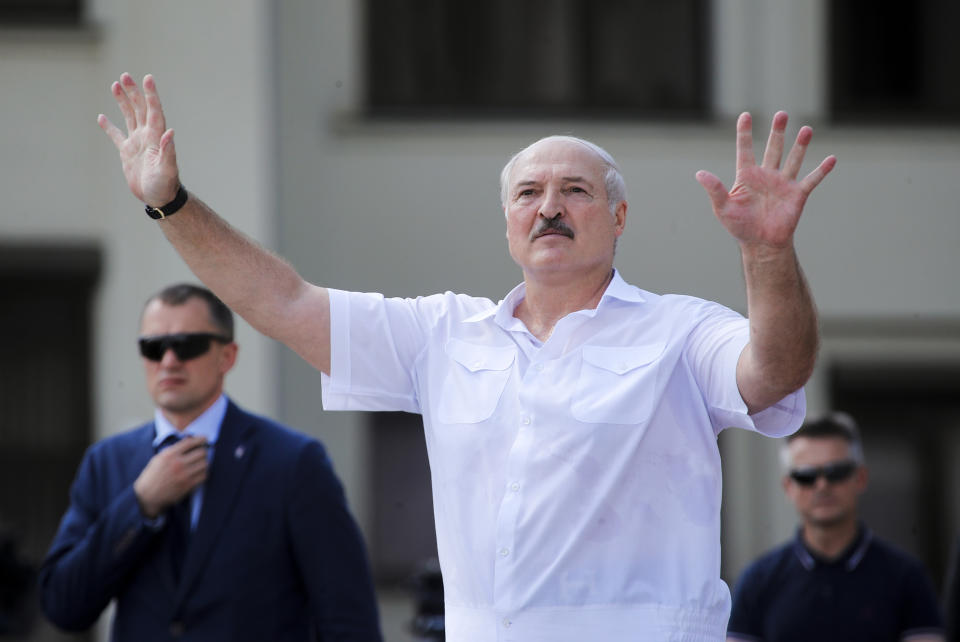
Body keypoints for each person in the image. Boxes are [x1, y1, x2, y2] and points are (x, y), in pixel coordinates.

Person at [97, 72, 836, 640]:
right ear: (507, 224)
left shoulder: (679, 333)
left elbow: (776, 371)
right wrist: (171, 204)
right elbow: (284, 303)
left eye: (574, 190)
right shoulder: (445, 335)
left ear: (617, 218)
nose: (548, 207)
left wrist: (769, 254)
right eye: (528, 193)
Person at [39, 283, 382, 642]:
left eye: (188, 345)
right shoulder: (107, 462)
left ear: (227, 356)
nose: (169, 360)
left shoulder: (293, 462)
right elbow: (64, 605)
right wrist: (139, 505)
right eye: (153, 347)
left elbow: (348, 619)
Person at [726, 412, 945, 642]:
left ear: (860, 478)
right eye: (806, 476)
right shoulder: (757, 581)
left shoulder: (907, 577)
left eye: (836, 472)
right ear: (788, 487)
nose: (822, 485)